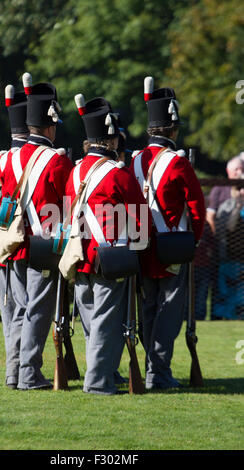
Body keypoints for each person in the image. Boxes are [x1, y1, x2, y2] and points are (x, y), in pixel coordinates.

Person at [0, 77, 73, 390]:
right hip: (42, 243)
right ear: (49, 127)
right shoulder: (57, 160)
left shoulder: (6, 158)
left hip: (10, 244)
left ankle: (14, 373)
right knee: (37, 311)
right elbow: (68, 202)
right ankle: (29, 373)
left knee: (18, 311)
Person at [64, 94, 150, 395]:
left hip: (79, 255)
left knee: (91, 320)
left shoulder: (74, 172)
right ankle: (97, 381)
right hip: (109, 256)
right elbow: (141, 219)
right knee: (103, 322)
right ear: (112, 142)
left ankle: (104, 373)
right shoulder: (118, 174)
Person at [129, 77, 205, 390]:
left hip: (142, 246)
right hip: (172, 247)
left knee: (148, 308)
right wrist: (191, 241)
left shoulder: (132, 160)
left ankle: (153, 367)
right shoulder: (178, 163)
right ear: (172, 129)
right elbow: (197, 209)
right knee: (169, 311)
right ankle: (157, 372)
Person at [0, 81, 29, 386]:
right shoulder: (32, 159)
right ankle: (16, 371)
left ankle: (13, 371)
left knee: (9, 310)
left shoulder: (0, 162)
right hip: (22, 244)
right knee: (22, 309)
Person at [206, 156, 244, 320]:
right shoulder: (220, 189)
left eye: (242, 168)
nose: (240, 172)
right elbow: (210, 217)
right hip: (224, 250)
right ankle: (221, 316)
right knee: (222, 288)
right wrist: (216, 241)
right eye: (236, 169)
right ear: (228, 171)